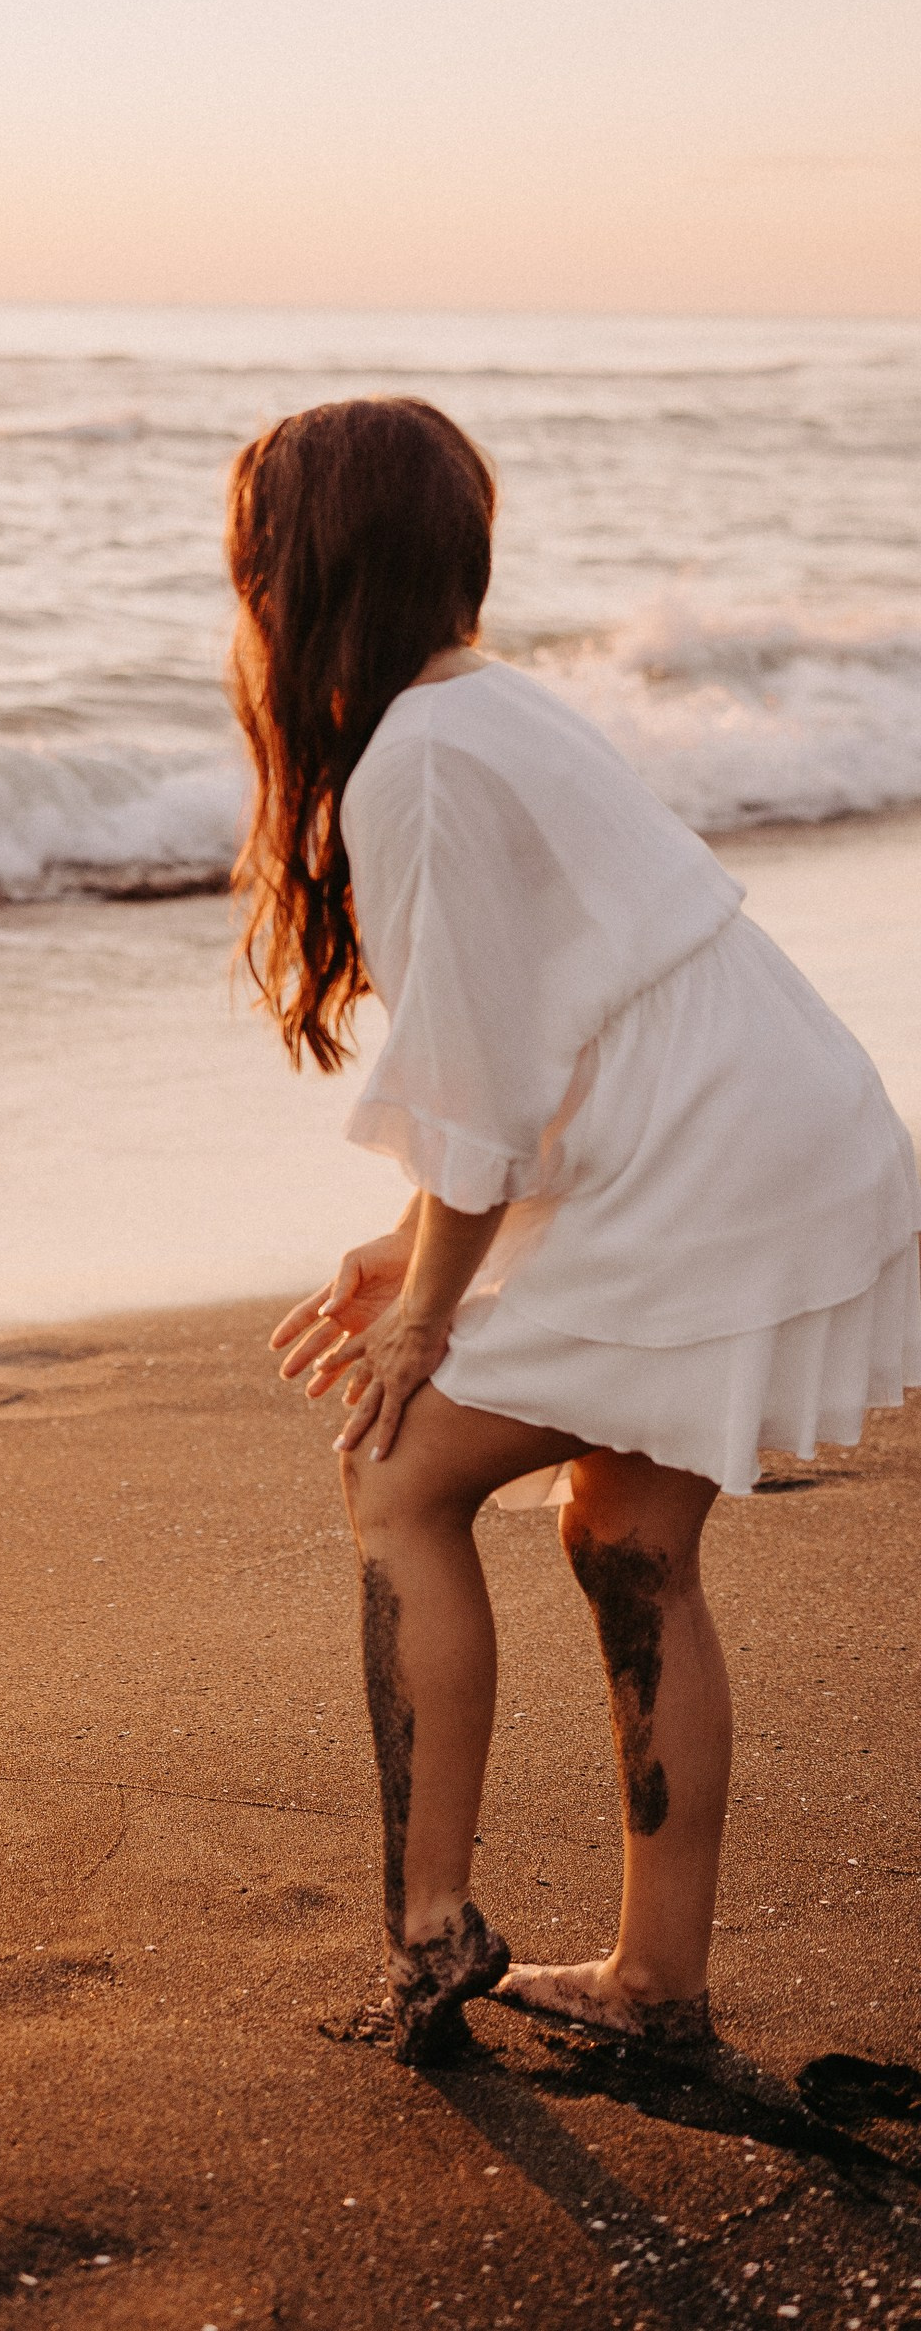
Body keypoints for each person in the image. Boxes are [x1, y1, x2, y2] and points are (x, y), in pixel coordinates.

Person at [228, 397, 920, 2063]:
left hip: (711, 1156)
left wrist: (424, 1313)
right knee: (621, 1529)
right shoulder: (481, 712)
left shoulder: (419, 761)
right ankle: (656, 1984)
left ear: (300, 566)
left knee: (397, 1475)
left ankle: (429, 1928)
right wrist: (419, 1253)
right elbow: (530, 1051)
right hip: (762, 1125)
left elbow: (477, 1078)